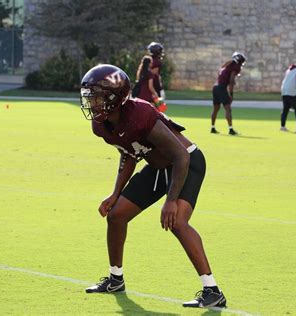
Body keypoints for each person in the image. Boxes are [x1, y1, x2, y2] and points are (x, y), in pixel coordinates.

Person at [80, 64, 227, 308]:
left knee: (178, 222)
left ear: (114, 99)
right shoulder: (102, 124)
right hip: (159, 166)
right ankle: (116, 279)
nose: (91, 104)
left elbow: (181, 156)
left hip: (186, 162)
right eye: (89, 98)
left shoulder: (140, 114)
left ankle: (213, 291)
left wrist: (171, 200)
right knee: (116, 216)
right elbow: (129, 153)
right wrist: (115, 193)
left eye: (97, 98)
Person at [210, 51, 246, 135]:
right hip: (221, 88)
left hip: (215, 87)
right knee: (228, 109)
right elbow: (231, 80)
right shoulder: (235, 67)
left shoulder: (226, 65)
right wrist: (231, 94)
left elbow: (222, 72)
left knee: (216, 109)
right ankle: (230, 129)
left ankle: (212, 127)